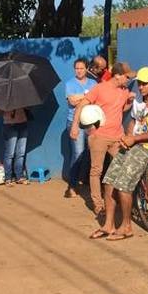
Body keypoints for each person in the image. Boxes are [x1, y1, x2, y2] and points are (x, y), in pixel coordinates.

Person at [98, 67, 148, 241]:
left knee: (123, 185)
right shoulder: (140, 99)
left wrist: (135, 139)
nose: (141, 86)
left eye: (145, 83)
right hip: (133, 144)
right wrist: (128, 137)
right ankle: (108, 224)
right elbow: (135, 121)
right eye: (139, 82)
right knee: (108, 181)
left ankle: (126, 226)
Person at [69, 62, 134, 222]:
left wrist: (130, 102)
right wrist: (75, 127)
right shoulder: (99, 88)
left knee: (120, 169)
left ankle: (117, 200)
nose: (128, 79)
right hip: (98, 136)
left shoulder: (124, 90)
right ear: (117, 76)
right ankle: (98, 205)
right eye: (126, 76)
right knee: (96, 171)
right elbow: (81, 106)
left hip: (117, 137)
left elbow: (121, 109)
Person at [64, 58, 96, 198]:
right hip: (74, 123)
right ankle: (72, 185)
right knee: (77, 154)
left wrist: (81, 98)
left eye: (81, 68)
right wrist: (87, 96)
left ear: (87, 69)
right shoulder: (70, 84)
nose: (79, 71)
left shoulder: (93, 83)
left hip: (90, 123)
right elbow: (72, 101)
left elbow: (95, 100)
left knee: (89, 154)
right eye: (76, 68)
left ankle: (84, 181)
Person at [0, 107, 29, 185]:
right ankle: (8, 178)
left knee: (21, 153)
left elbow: (29, 107)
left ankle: (19, 177)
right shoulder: (3, 96)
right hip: (10, 125)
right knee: (10, 153)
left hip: (23, 123)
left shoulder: (23, 96)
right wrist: (9, 110)